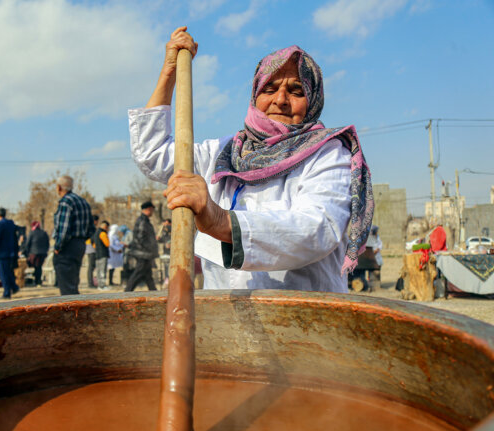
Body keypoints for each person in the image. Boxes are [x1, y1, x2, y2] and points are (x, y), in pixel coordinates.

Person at [128, 27, 373, 292]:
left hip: (303, 321)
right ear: (255, 96)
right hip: (224, 317)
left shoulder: (328, 152)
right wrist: (169, 73)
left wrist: (221, 221)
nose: (281, 100)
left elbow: (317, 229)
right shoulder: (224, 151)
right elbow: (152, 154)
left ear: (313, 100)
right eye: (269, 88)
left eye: (296, 90)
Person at [52, 175, 95, 295]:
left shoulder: (66, 202)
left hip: (67, 246)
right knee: (73, 283)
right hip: (80, 245)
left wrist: (57, 247)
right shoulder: (83, 202)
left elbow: (64, 229)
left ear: (59, 187)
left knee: (66, 288)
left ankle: (71, 312)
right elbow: (91, 229)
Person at [125, 201, 159, 292]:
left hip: (145, 253)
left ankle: (154, 293)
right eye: (152, 210)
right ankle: (127, 292)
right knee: (138, 273)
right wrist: (149, 248)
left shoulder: (145, 221)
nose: (152, 212)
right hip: (142, 253)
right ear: (149, 209)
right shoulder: (142, 221)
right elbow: (140, 238)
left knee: (148, 275)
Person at [24, 221, 50, 287]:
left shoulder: (32, 233)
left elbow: (27, 244)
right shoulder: (44, 233)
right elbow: (47, 244)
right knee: (39, 267)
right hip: (43, 253)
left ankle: (36, 281)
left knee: (36, 267)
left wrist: (27, 253)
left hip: (34, 253)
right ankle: (38, 281)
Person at [93, 220, 111, 290]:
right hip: (103, 254)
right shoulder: (103, 233)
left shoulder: (96, 232)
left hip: (97, 254)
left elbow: (94, 245)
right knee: (103, 270)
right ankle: (102, 286)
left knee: (98, 270)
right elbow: (107, 244)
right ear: (105, 227)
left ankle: (99, 285)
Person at [85, 215, 100, 287]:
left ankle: (91, 282)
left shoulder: (87, 226)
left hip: (89, 248)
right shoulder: (92, 228)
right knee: (91, 267)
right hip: (91, 249)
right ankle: (90, 283)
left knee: (91, 267)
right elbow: (92, 239)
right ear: (95, 221)